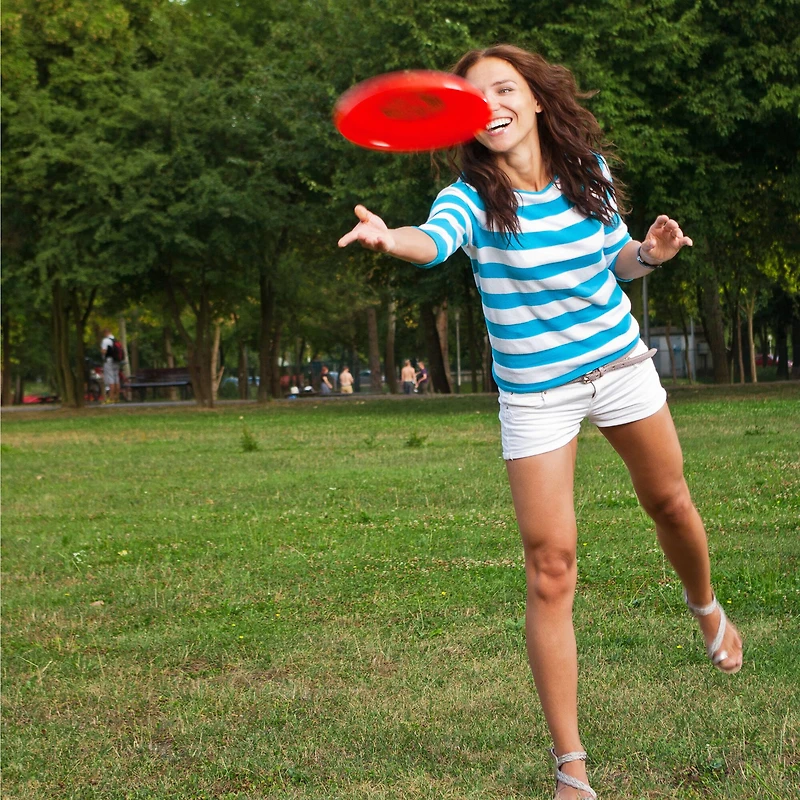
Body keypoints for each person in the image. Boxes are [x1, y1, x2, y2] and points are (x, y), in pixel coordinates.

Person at [338, 44, 743, 800]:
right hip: (537, 395)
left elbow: (610, 261)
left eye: (504, 89)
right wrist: (391, 239)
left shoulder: (586, 171)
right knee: (550, 567)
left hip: (620, 366)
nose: (490, 104)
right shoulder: (471, 199)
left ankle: (707, 607)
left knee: (671, 504)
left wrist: (648, 255)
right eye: (474, 96)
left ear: (535, 99)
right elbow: (434, 243)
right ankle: (572, 768)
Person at [100, 328, 121, 403]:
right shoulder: (115, 340)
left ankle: (111, 398)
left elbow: (104, 351)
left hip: (109, 361)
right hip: (116, 361)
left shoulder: (105, 340)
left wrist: (102, 352)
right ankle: (117, 397)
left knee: (110, 379)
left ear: (106, 332)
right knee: (116, 378)